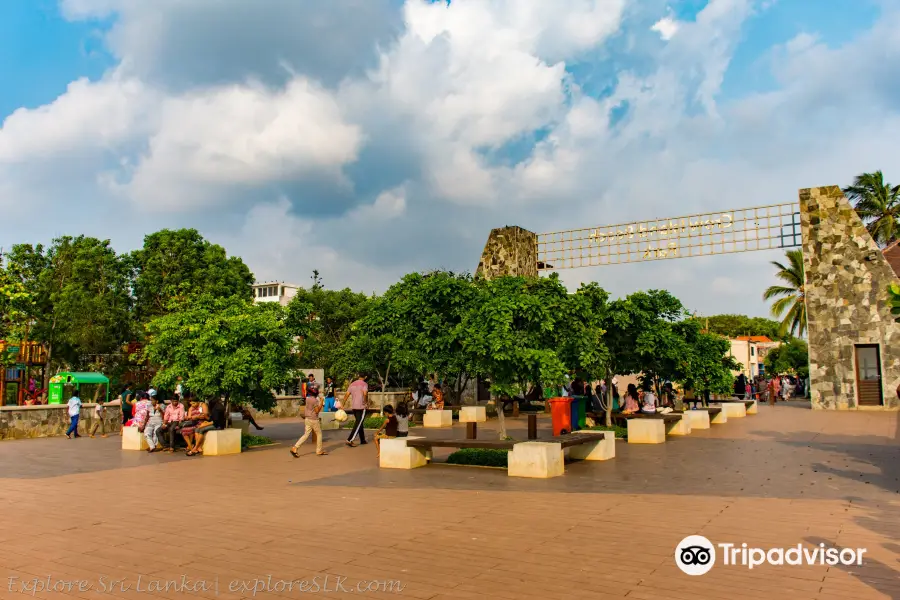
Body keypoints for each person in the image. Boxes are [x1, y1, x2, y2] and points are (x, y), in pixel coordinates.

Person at [290, 386, 327, 457]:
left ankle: (295, 447)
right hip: (314, 419)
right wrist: (321, 402)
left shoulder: (308, 399)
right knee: (319, 434)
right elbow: (317, 411)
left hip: (307, 419)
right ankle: (319, 451)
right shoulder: (315, 400)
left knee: (306, 434)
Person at [344, 375, 369, 447]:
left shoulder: (352, 384)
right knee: (359, 422)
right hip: (361, 407)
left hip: (354, 407)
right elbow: (365, 394)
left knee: (359, 422)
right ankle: (349, 439)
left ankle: (362, 440)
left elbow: (347, 395)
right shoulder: (364, 384)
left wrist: (343, 404)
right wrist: (365, 402)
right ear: (365, 377)